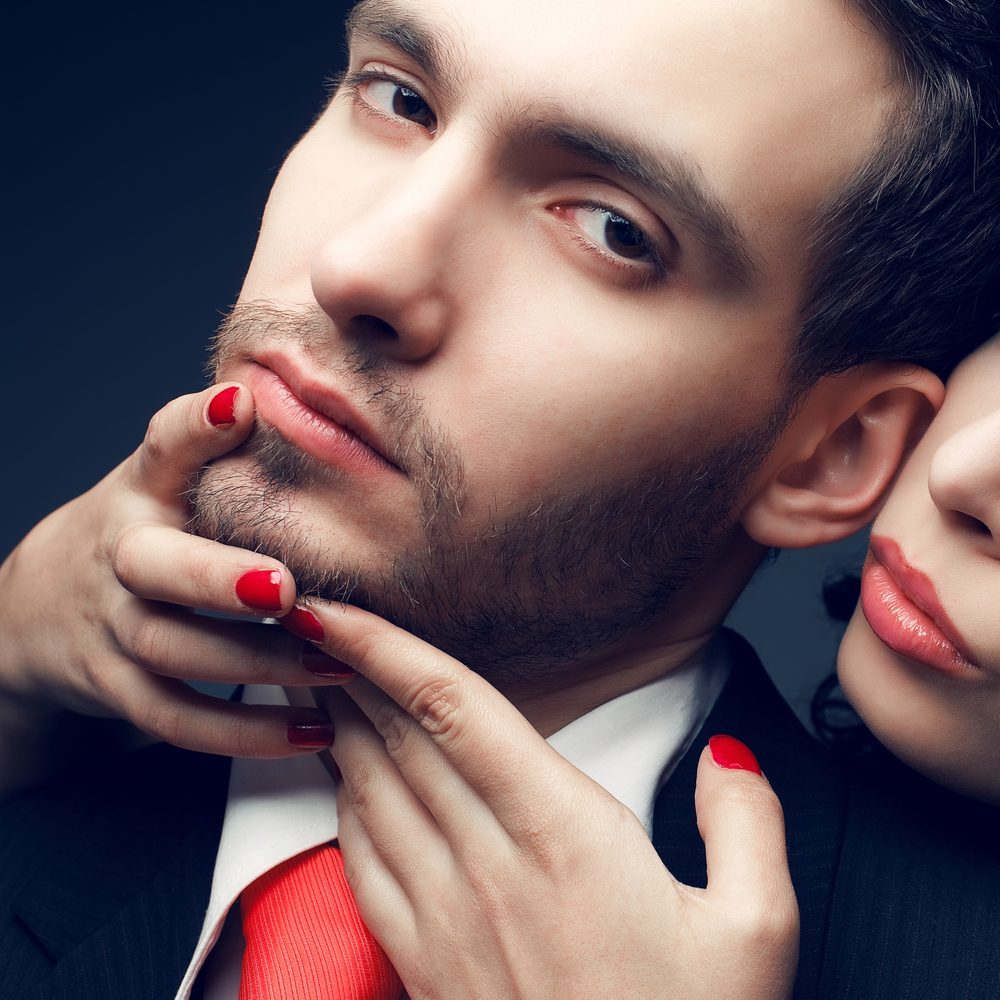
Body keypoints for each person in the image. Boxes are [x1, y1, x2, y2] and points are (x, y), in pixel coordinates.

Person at [1, 0, 999, 998]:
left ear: (825, 454)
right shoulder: (38, 760)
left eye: (613, 229)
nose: (361, 266)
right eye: (399, 97)